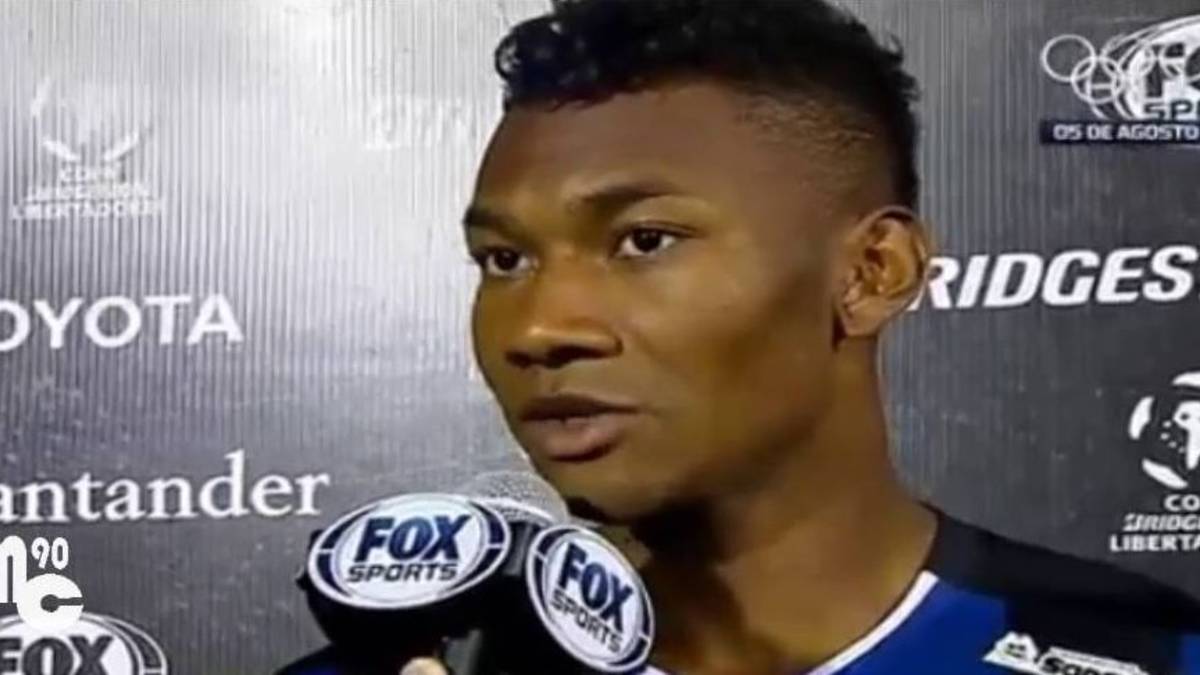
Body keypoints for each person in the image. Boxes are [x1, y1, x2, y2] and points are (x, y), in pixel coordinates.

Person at [389, 0, 1200, 672]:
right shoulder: (425, 663)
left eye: (645, 240)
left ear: (873, 272)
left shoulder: (1155, 655)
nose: (539, 327)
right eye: (504, 259)